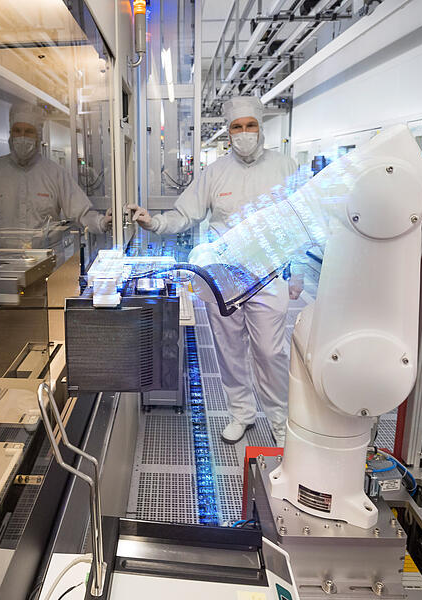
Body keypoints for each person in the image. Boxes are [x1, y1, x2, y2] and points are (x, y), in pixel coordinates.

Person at [127, 96, 299, 446]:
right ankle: (242, 414)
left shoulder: (286, 167)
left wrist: (295, 272)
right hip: (223, 277)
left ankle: (280, 419)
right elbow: (185, 214)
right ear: (229, 131)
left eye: (250, 125)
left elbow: (301, 220)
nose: (244, 133)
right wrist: (153, 222)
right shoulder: (216, 172)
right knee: (229, 348)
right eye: (237, 127)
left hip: (268, 274)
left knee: (270, 351)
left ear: (260, 127)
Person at [0, 102, 111, 234]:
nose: (22, 136)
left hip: (46, 255)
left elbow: (80, 212)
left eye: (28, 131)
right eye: (17, 130)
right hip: (3, 256)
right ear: (11, 134)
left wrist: (102, 222)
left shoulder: (54, 173)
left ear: (38, 136)